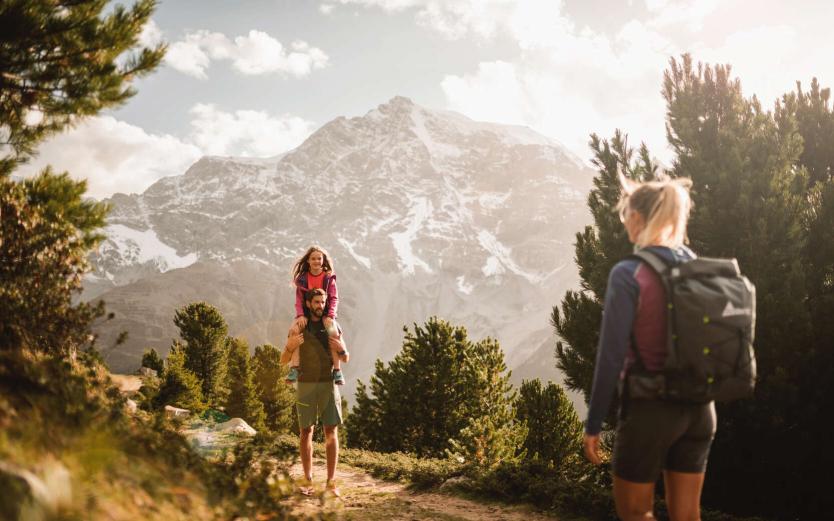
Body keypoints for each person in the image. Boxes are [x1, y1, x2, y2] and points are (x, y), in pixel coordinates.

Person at [583, 176, 716, 521]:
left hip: (650, 409)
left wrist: (594, 423)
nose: (624, 222)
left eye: (626, 214)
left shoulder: (629, 273)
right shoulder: (693, 263)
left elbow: (610, 355)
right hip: (700, 408)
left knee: (636, 513)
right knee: (688, 516)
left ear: (639, 219)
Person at [282, 288, 349, 497]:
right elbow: (283, 359)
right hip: (304, 384)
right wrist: (289, 346)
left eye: (323, 302)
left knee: (331, 431)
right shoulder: (299, 325)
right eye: (316, 302)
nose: (320, 306)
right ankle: (308, 481)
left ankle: (331, 483)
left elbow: (345, 358)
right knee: (306, 432)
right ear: (308, 304)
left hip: (328, 383)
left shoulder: (331, 325)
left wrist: (342, 349)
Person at [285, 245, 346, 385]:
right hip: (305, 313)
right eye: (313, 258)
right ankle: (294, 368)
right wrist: (300, 315)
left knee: (334, 333)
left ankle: (337, 370)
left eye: (319, 258)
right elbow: (299, 300)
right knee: (294, 331)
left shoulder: (329, 278)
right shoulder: (302, 279)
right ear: (308, 261)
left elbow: (334, 298)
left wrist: (330, 315)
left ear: (323, 260)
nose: (316, 261)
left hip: (325, 312)